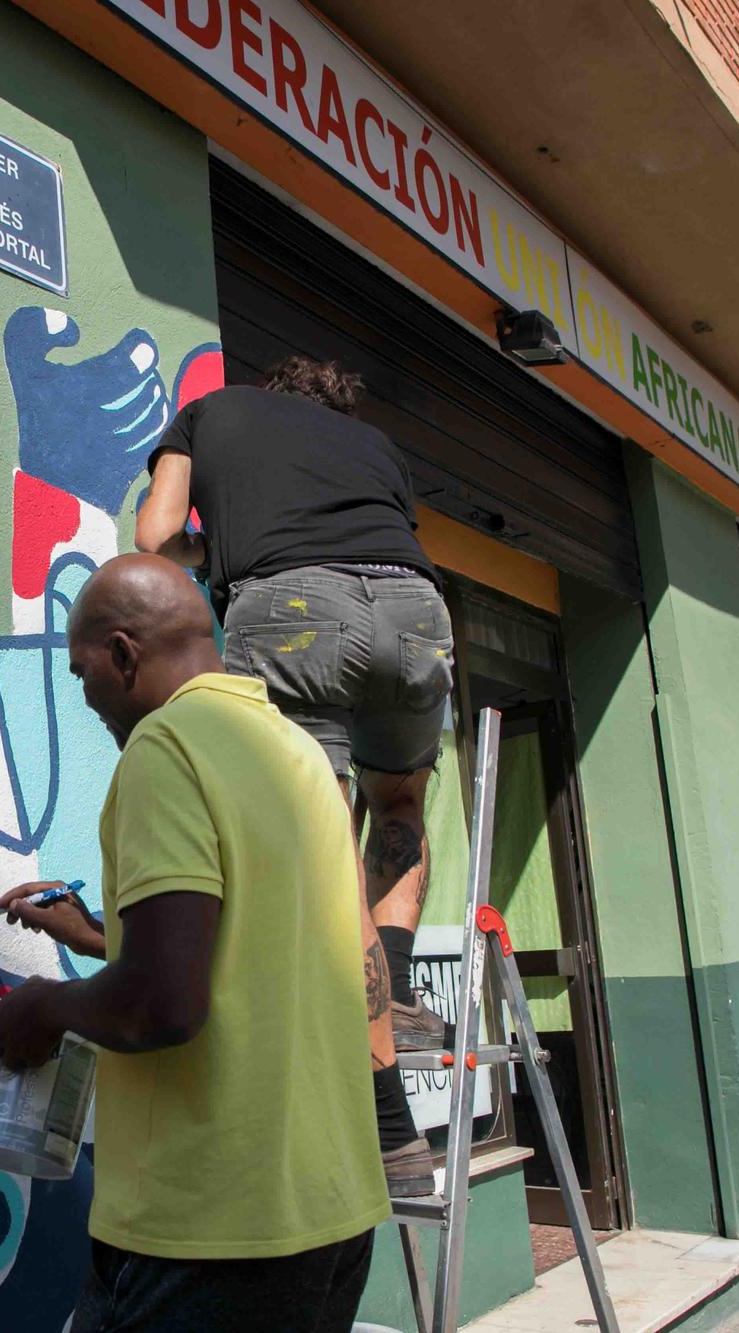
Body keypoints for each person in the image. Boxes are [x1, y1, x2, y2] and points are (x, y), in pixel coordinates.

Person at [0, 554, 387, 1333]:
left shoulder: (164, 749)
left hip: (213, 1234)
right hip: (330, 1216)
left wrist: (45, 1006)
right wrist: (101, 938)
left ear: (125, 653)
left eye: (83, 672)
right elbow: (259, 955)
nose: (86, 695)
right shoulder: (299, 754)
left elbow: (164, 1004)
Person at [133, 354, 455, 1196]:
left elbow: (157, 536)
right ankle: (399, 986)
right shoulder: (376, 446)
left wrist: (216, 549)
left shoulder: (208, 412)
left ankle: (389, 1123)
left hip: (294, 607)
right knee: (397, 800)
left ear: (273, 392)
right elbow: (392, 543)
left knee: (320, 829)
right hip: (417, 611)